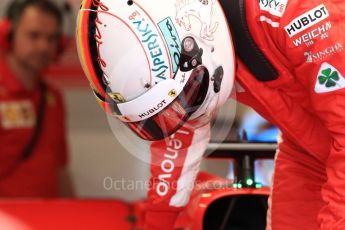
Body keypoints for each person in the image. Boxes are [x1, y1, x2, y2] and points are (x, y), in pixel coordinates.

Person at [76, 0, 345, 229]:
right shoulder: (185, 58)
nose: (181, 110)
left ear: (197, 39)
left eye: (185, 96)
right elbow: (179, 129)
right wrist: (157, 223)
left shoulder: (302, 13)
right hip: (308, 148)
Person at [0, 0, 73, 197]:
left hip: (47, 221)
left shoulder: (53, 98)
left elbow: (61, 170)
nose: (44, 46)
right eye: (34, 36)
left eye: (51, 38)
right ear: (9, 34)